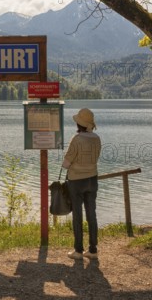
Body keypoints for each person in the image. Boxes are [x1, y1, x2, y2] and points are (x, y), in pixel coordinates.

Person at [62, 108, 101, 260]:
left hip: (76, 181)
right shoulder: (96, 138)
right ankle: (93, 249)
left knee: (77, 215)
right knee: (92, 214)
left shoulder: (76, 139)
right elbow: (96, 157)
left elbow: (66, 163)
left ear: (79, 124)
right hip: (92, 179)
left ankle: (78, 250)